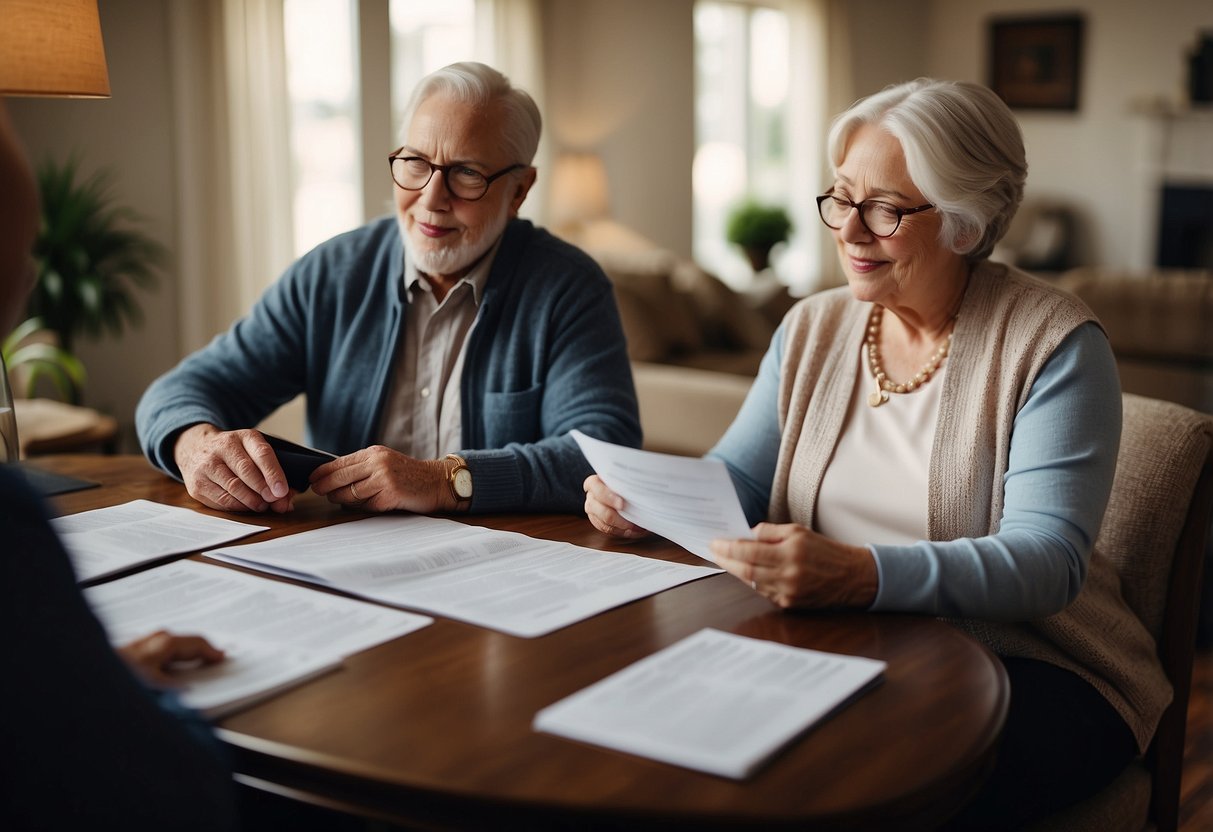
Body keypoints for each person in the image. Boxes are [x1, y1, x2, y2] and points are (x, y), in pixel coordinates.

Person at [585, 78, 1170, 829]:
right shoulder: (811, 329)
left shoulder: (1052, 344)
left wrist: (861, 576)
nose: (850, 232)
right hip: (849, 641)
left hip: (1035, 666)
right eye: (839, 198)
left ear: (965, 221)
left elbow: (1046, 563)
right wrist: (644, 498)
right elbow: (733, 479)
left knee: (841, 783)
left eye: (885, 209)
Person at [137, 61, 640, 517]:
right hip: (344, 565)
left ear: (519, 191)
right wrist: (194, 446)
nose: (431, 199)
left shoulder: (569, 287)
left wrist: (444, 480)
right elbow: (179, 391)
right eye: (416, 163)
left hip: (512, 572)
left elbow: (604, 450)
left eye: (466, 174)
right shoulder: (335, 272)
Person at [0, 102, 236, 830]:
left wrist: (89, 685)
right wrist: (196, 440)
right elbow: (179, 792)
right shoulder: (7, 522)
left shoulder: (563, 282)